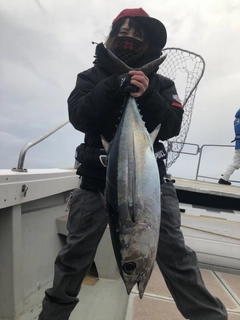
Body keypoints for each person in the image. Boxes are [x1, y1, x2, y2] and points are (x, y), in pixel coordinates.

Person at [38, 8, 228, 320]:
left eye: (138, 34)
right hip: (95, 183)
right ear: (111, 37)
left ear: (150, 43)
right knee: (74, 257)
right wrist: (116, 84)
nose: (130, 39)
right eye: (124, 33)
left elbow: (172, 125)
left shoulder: (163, 84)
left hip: (152, 185)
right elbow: (79, 115)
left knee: (178, 258)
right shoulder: (90, 77)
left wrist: (148, 92)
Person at [218, 109, 240, 185]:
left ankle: (224, 177)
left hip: (238, 144)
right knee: (236, 163)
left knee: (235, 163)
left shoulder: (236, 121)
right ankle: (224, 178)